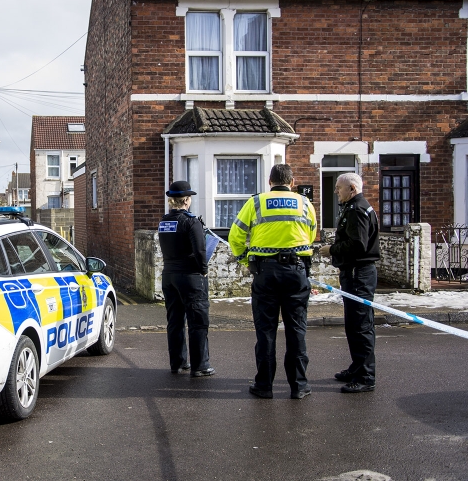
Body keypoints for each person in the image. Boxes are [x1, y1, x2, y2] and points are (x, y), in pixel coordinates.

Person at [228, 164, 317, 399]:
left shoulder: (256, 202)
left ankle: (264, 385)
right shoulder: (305, 203)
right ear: (292, 181)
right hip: (296, 272)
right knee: (296, 330)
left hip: (265, 273)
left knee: (266, 331)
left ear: (270, 181)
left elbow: (235, 235)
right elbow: (311, 235)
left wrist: (245, 259)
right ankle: (299, 385)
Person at [319, 173, 380, 393]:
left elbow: (358, 244)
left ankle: (365, 377)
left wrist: (331, 249)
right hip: (354, 273)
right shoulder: (354, 207)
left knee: (361, 325)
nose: (336, 191)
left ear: (352, 189)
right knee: (353, 324)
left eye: (339, 188)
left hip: (359, 274)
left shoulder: (357, 210)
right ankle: (357, 367)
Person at [158, 181, 214, 378]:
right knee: (198, 321)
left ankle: (178, 363)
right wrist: (204, 270)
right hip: (190, 276)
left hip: (169, 276)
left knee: (175, 321)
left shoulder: (164, 222)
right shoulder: (191, 222)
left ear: (171, 200)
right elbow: (200, 250)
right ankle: (201, 365)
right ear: (187, 200)